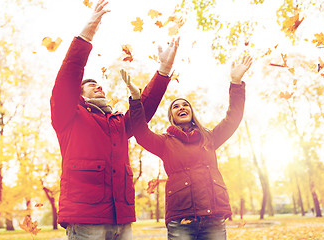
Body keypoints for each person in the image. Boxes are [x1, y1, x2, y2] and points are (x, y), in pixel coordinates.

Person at [50, 0, 180, 239]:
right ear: (79, 95)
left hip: (121, 218)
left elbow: (143, 112)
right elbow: (67, 78)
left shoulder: (117, 122)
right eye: (90, 85)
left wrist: (163, 70)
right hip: (86, 219)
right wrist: (85, 35)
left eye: (99, 84)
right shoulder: (69, 115)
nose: (97, 86)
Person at [124, 56, 252, 240]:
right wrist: (136, 100)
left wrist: (236, 82)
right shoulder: (165, 142)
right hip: (181, 218)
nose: (181, 107)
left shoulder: (210, 138)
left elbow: (233, 118)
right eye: (176, 106)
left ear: (191, 113)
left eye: (185, 105)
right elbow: (140, 132)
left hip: (213, 217)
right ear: (172, 116)